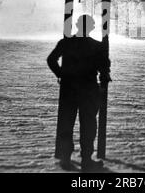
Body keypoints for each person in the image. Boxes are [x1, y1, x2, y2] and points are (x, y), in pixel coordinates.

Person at [47, 15, 111, 172]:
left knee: (66, 123)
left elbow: (51, 60)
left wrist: (61, 74)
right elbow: (103, 68)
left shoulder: (66, 43)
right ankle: (86, 159)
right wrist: (103, 83)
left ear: (77, 26)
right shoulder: (97, 46)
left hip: (69, 88)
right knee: (88, 125)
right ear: (91, 27)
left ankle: (65, 157)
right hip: (88, 89)